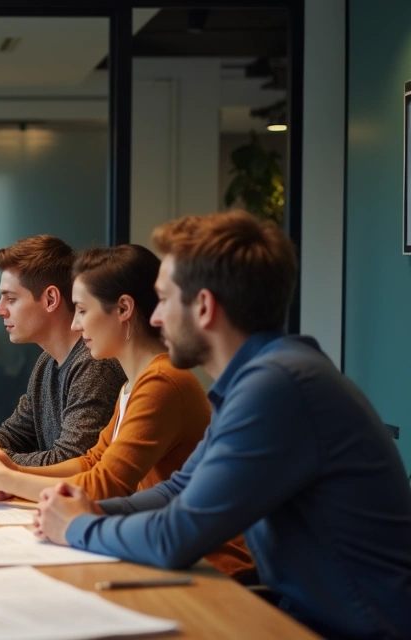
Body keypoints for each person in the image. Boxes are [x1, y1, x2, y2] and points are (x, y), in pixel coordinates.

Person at [33, 212, 411, 639]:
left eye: (164, 300)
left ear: (205, 307)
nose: (154, 318)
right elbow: (180, 489)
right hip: (303, 611)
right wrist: (93, 509)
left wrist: (78, 526)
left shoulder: (277, 386)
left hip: (347, 629)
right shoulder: (262, 378)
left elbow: (177, 535)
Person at [0, 244, 253, 579]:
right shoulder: (133, 383)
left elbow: (105, 485)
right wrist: (11, 469)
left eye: (82, 310)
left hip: (209, 566)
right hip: (162, 551)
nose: (75, 324)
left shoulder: (162, 381)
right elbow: (92, 461)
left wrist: (7, 478)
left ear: (123, 309)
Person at [0, 236, 126, 467]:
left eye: (11, 299)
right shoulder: (46, 361)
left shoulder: (94, 364)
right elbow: (16, 432)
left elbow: (71, 462)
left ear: (50, 299)